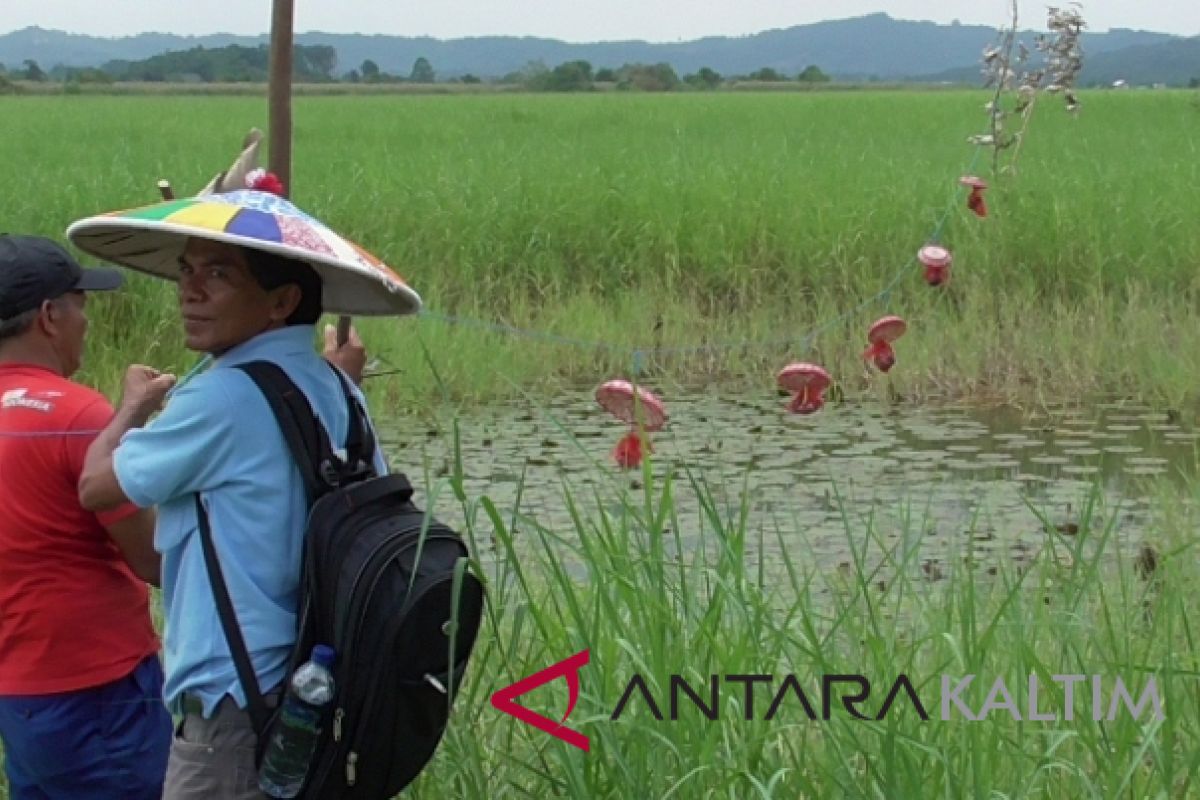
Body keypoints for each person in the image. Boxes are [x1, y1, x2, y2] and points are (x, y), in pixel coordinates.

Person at [78, 236, 388, 799]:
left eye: (218, 274)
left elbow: (97, 486)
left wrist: (131, 410)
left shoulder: (222, 397)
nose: (189, 293)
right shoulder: (342, 386)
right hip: (316, 687)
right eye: (185, 271)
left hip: (233, 703)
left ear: (281, 300)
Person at [0, 234, 170, 800]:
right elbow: (153, 560)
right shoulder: (77, 416)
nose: (86, 322)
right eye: (81, 305)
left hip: (18, 690)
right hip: (100, 689)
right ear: (49, 316)